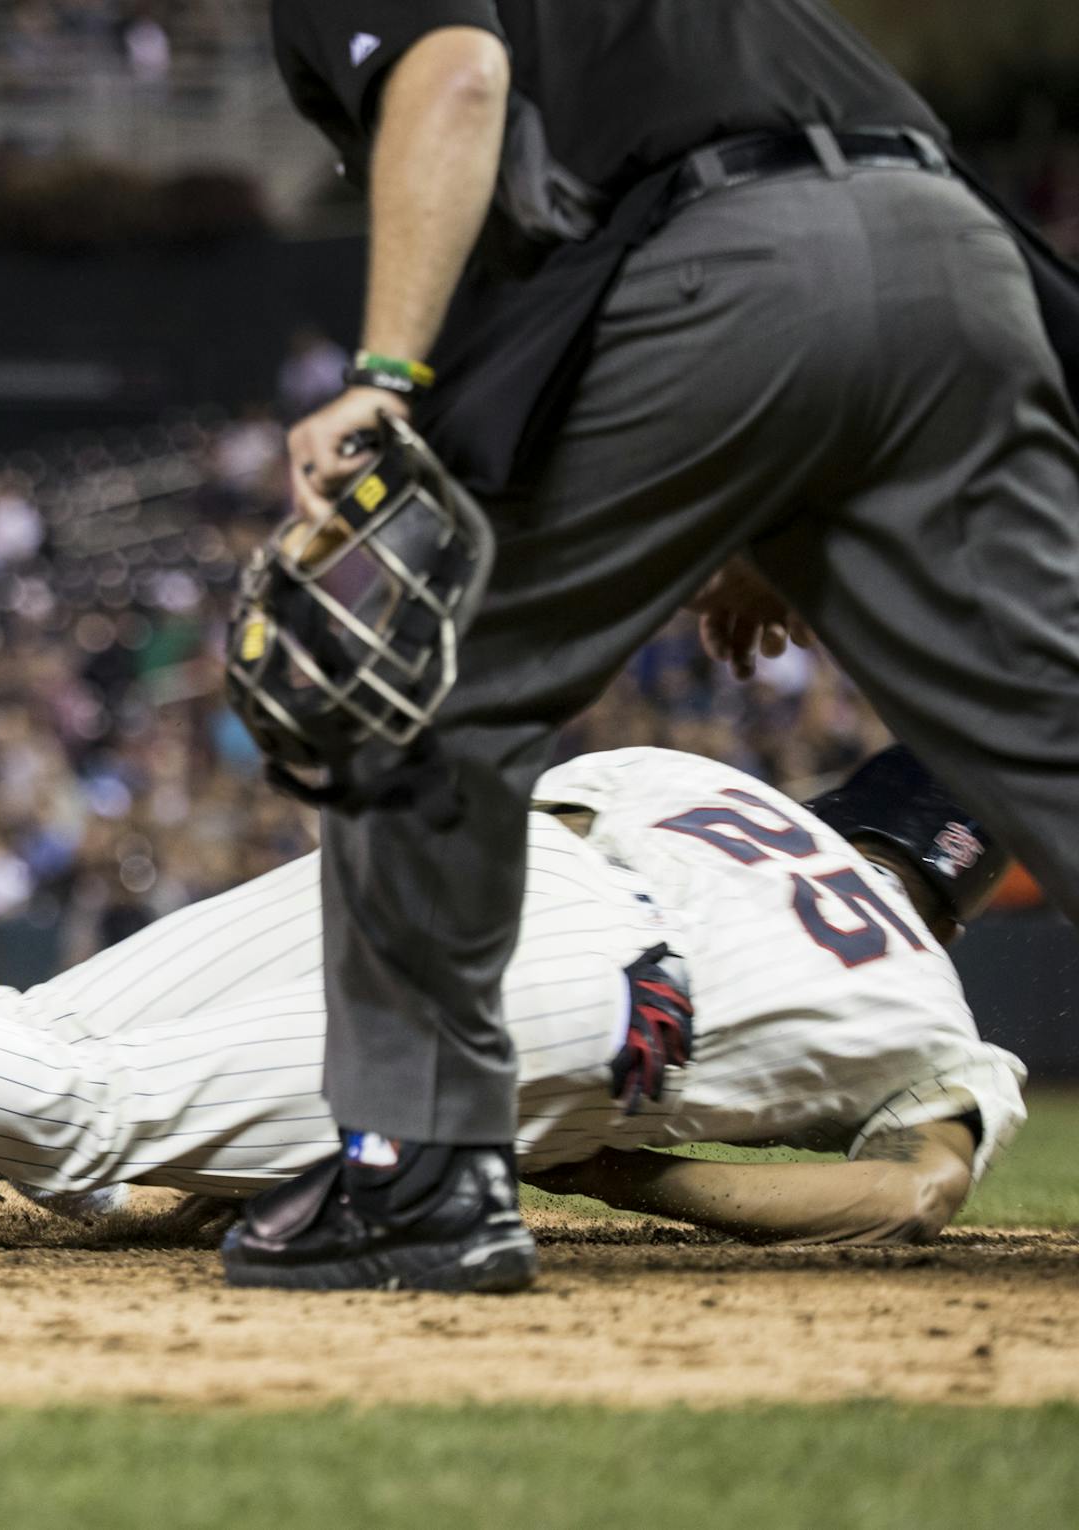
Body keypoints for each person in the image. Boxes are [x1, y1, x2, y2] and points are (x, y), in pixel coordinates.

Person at [249, 0, 1079, 1289]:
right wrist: (771, 501)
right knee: (1054, 741)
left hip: (720, 264)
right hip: (954, 252)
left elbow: (457, 77)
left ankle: (421, 1171)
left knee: (403, 680)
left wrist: (388, 382)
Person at [0, 744, 1027, 1257]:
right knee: (92, 1122)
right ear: (965, 886)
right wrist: (615, 1165)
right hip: (595, 1000)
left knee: (37, 1036)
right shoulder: (936, 1010)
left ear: (854, 799)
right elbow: (909, 1192)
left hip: (462, 855)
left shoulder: (709, 776)